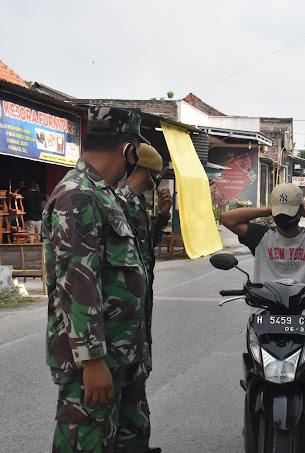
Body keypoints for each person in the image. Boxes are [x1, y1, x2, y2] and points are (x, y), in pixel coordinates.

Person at [43, 106, 159, 453]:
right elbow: (77, 282)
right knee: (87, 444)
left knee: (130, 440)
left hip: (122, 355)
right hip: (95, 363)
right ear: (128, 150)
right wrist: (92, 362)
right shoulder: (77, 196)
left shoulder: (105, 194)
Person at [220, 183, 305, 453]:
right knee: (256, 373)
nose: (283, 218)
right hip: (266, 318)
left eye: (287, 211)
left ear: (299, 211)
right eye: (279, 212)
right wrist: (270, 208)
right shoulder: (260, 235)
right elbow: (227, 218)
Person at [115, 143, 172, 379]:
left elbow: (147, 245)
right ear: (148, 171)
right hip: (121, 311)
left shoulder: (138, 204)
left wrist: (163, 215)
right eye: (157, 174)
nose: (158, 180)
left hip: (140, 308)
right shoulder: (117, 204)